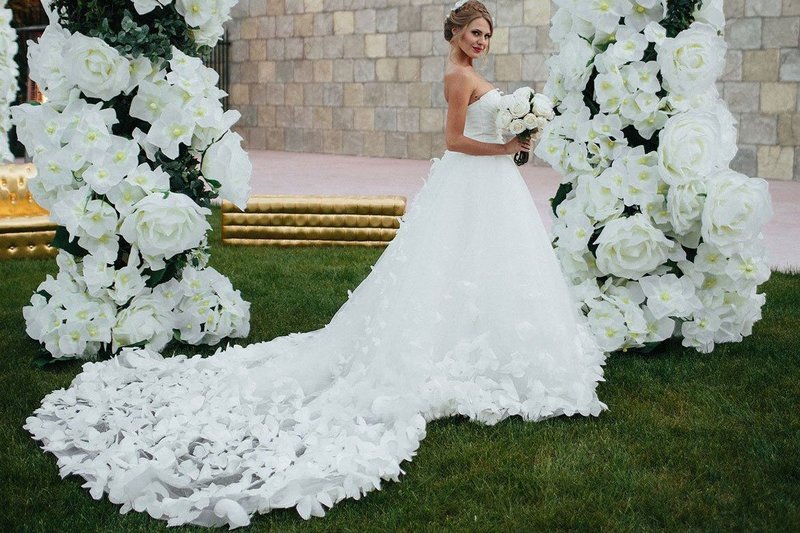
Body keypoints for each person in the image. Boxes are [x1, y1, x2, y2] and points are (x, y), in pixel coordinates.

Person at [25, 0, 606, 528]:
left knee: (489, 269)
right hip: (471, 178)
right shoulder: (457, 77)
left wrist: (521, 134)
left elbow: (485, 130)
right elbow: (454, 140)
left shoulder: (475, 73)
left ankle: (489, 344)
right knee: (452, 267)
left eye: (487, 35)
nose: (482, 41)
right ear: (455, 32)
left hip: (492, 187)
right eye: (475, 32)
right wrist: (506, 146)